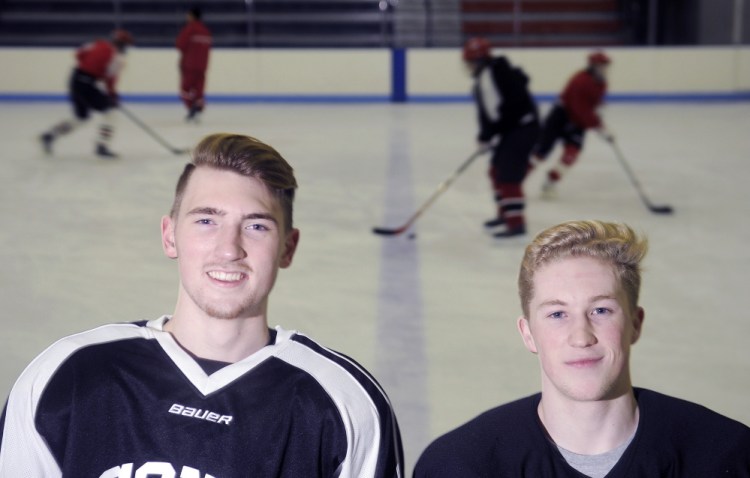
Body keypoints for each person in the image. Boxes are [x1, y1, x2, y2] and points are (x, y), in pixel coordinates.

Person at [1, 133, 404, 477]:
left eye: (256, 226)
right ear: (169, 235)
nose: (229, 249)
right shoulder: (66, 376)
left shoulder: (342, 403)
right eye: (206, 221)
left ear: (288, 247)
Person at [414, 220, 750, 477]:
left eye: (601, 310)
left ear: (635, 323)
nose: (581, 336)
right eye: (557, 314)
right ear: (528, 333)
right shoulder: (460, 465)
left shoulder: (727, 455)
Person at [463, 37, 540, 238]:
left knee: (507, 175)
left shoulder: (491, 75)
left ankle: (516, 224)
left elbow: (501, 111)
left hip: (522, 129)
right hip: (514, 128)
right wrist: (485, 137)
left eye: (469, 62)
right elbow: (490, 114)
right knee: (496, 171)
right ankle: (505, 214)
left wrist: (488, 135)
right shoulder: (490, 74)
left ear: (477, 60)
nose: (468, 66)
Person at [39, 29, 133, 159]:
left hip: (75, 79)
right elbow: (110, 80)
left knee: (81, 117)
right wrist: (113, 97)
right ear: (122, 44)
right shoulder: (117, 58)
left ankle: (50, 135)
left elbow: (78, 54)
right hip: (88, 84)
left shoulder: (97, 43)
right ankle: (102, 146)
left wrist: (92, 69)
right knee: (110, 113)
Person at [530, 51, 614, 199]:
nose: (605, 69)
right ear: (593, 66)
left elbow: (591, 104)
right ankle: (515, 181)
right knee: (541, 153)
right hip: (559, 117)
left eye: (606, 66)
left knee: (571, 154)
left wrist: (598, 113)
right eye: (602, 66)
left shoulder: (602, 83)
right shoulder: (580, 80)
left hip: (577, 122)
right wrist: (598, 126)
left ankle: (551, 182)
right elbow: (580, 109)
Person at [176, 6, 212, 122]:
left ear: (191, 16)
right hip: (202, 65)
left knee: (185, 89)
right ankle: (199, 106)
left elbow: (180, 45)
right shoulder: (206, 31)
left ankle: (191, 107)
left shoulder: (189, 29)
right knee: (199, 90)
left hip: (189, 65)